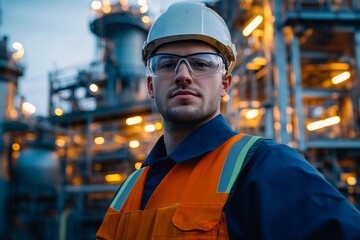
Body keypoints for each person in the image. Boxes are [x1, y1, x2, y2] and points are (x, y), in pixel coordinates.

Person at [96, 1, 360, 239]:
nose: (183, 75)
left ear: (225, 83)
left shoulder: (264, 166)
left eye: (201, 64)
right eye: (166, 64)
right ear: (151, 86)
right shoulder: (128, 190)